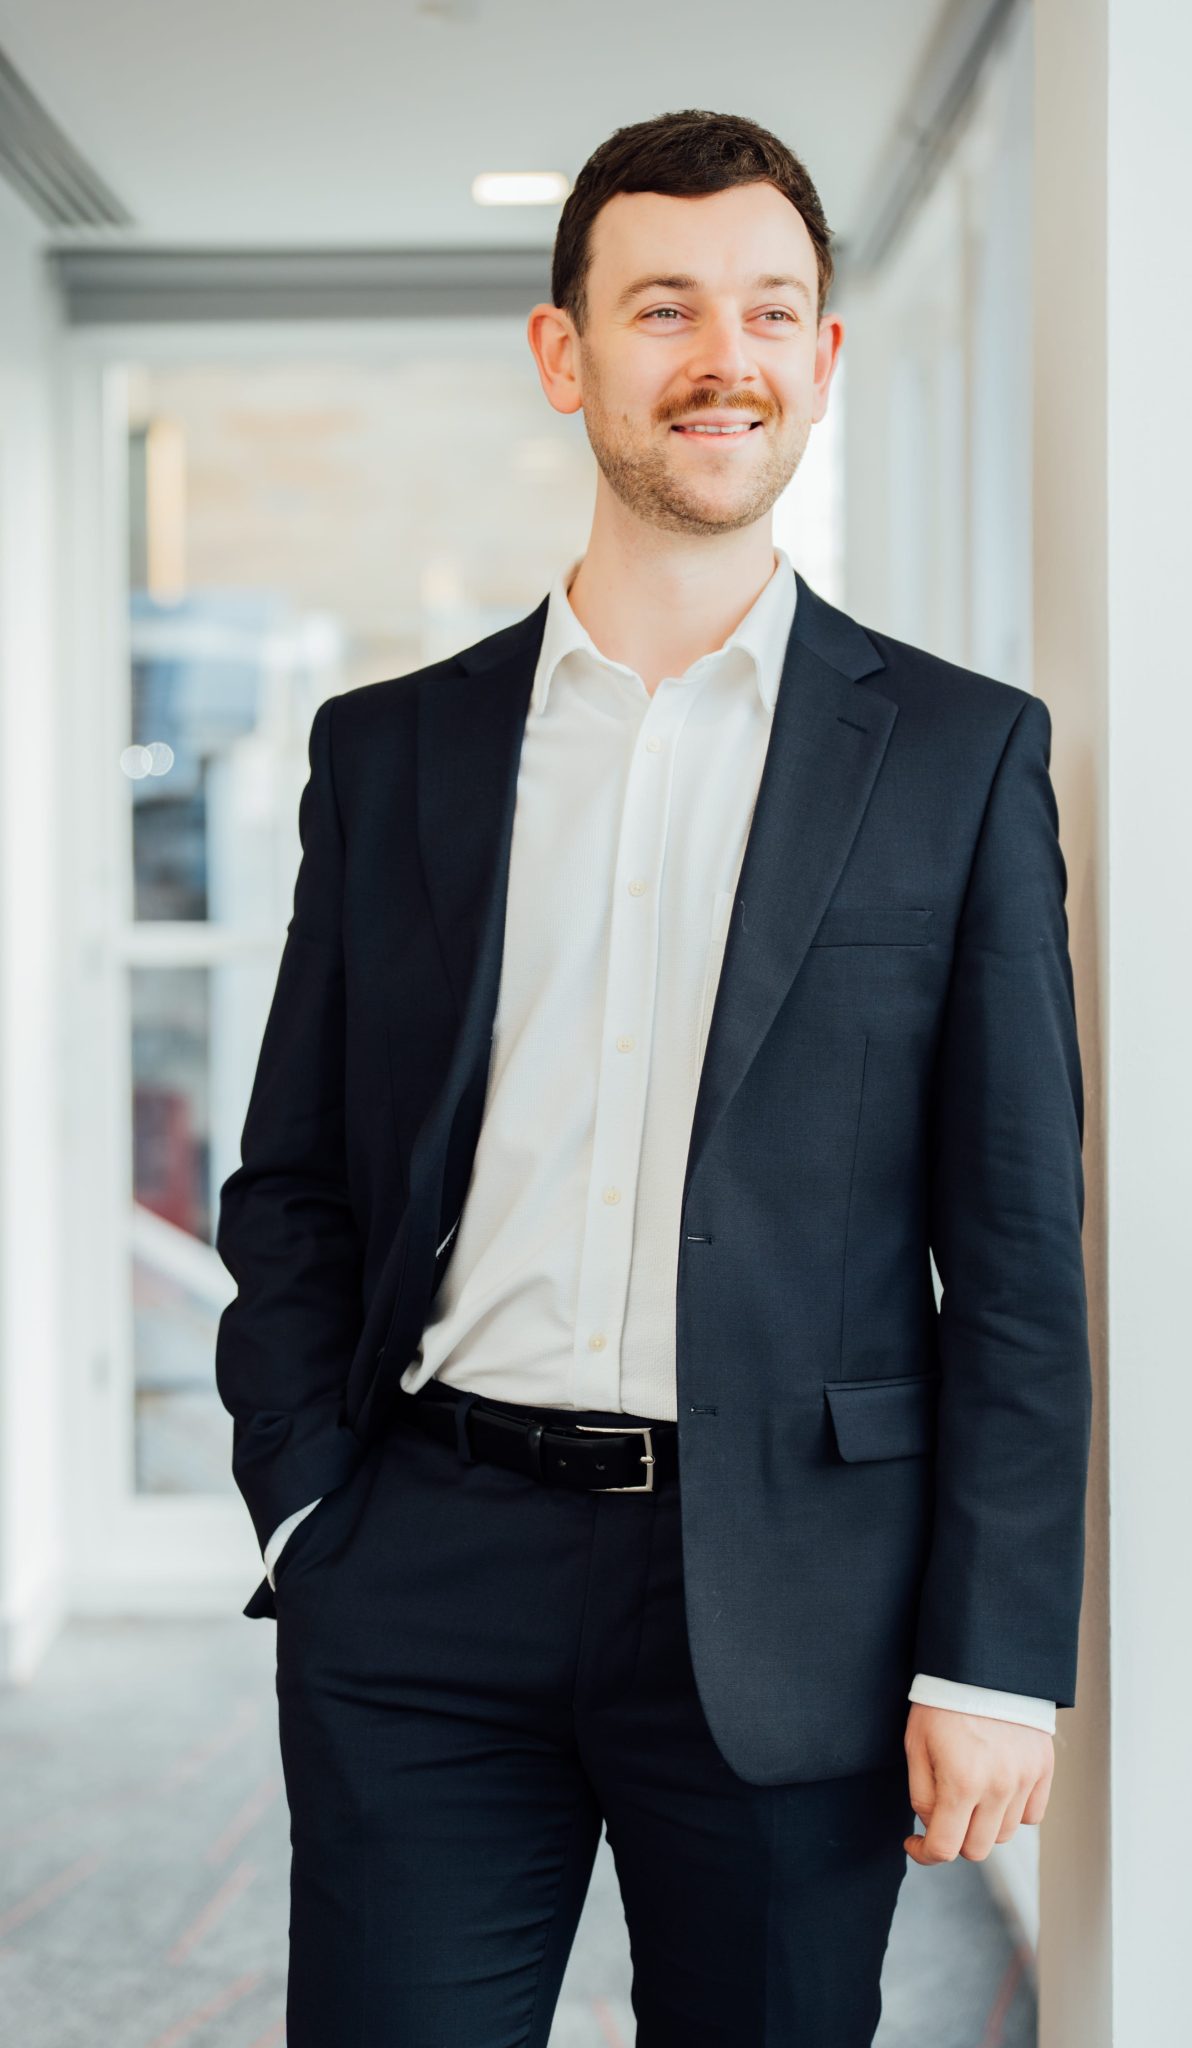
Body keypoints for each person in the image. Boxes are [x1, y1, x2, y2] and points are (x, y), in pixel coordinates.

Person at [215, 107, 1091, 2048]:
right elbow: (294, 1178)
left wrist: (995, 1656)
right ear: (564, 354)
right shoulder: (394, 757)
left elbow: (1017, 1252)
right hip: (424, 1578)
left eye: (772, 311)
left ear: (823, 361)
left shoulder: (952, 759)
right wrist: (303, 1506)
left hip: (796, 1593)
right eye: (664, 307)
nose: (726, 357)